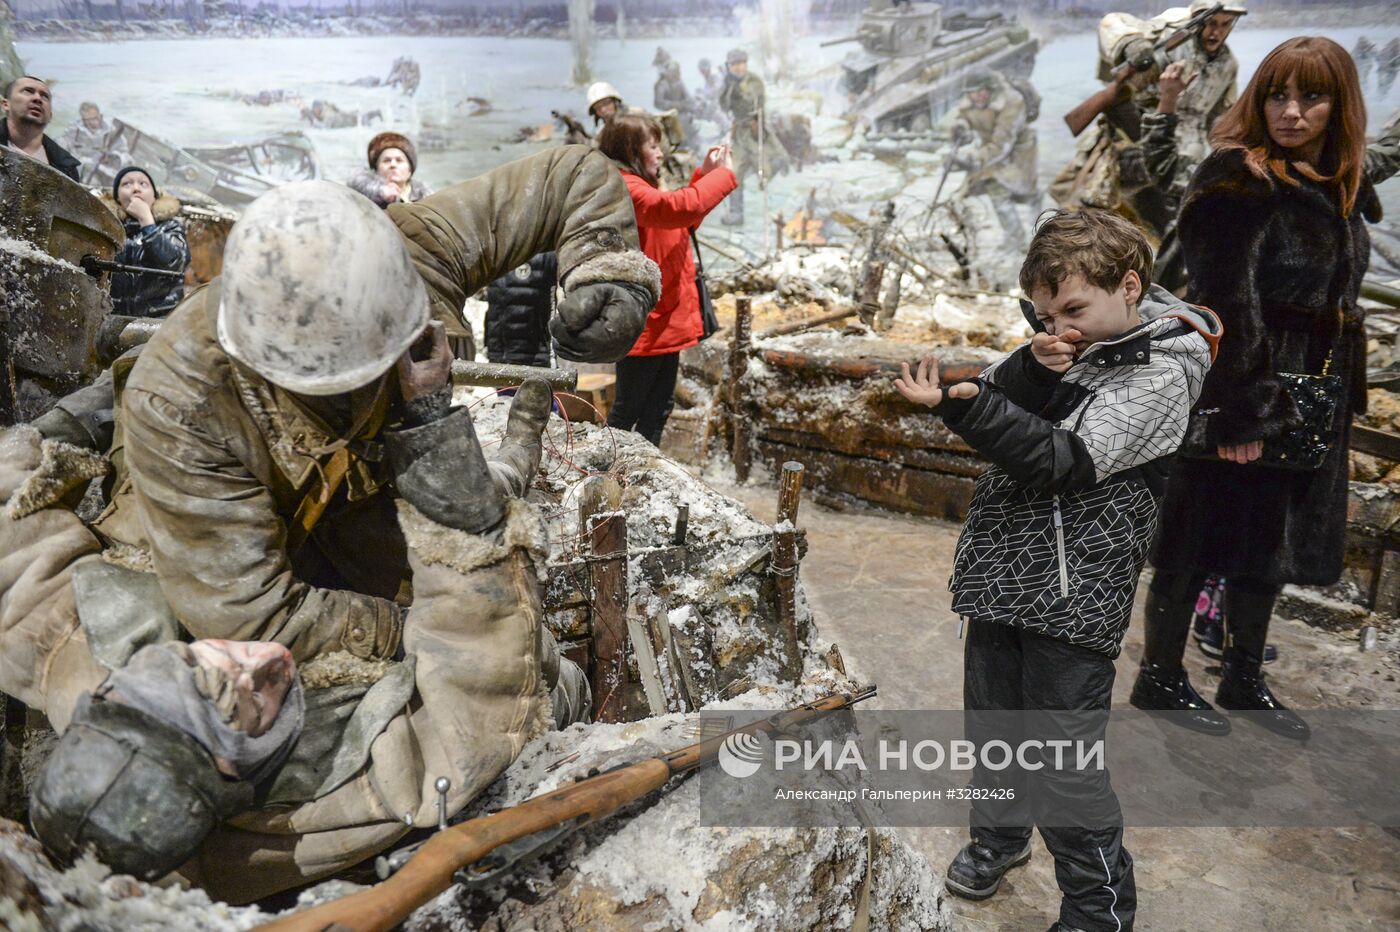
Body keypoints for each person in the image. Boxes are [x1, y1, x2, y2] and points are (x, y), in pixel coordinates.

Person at [2, 146, 660, 901]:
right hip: (217, 543)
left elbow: (572, 176)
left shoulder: (393, 253)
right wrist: (410, 629)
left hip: (361, 494)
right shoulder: (182, 404)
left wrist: (605, 269)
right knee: (501, 655)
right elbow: (251, 617)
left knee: (512, 634)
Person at [894, 208, 1220, 932]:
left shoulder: (1163, 372)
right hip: (1004, 573)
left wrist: (970, 407)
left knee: (1063, 764)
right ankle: (1000, 838)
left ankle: (1098, 908)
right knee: (995, 728)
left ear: (1129, 286)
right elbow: (1001, 395)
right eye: (1045, 317)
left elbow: (1064, 461)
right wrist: (1023, 369)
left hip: (1075, 595)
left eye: (1073, 310)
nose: (1060, 329)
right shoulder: (1077, 343)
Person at [1133, 37, 1377, 741]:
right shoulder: (1236, 180)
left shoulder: (1336, 184)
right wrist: (1242, 411)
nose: (1291, 112)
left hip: (1308, 392)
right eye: (1277, 95)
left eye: (1311, 97)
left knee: (1268, 537)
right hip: (1243, 383)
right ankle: (1159, 676)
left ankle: (1243, 676)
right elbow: (1223, 303)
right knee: (1195, 533)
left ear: (1339, 105)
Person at [1051, 0, 1245, 241]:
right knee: (1087, 226)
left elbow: (1219, 117)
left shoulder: (1228, 64)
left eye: (1225, 24)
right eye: (1212, 23)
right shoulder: (1170, 37)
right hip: (1134, 144)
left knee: (1174, 233)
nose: (1217, 32)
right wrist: (1132, 45)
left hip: (1183, 160)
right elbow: (1112, 23)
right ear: (1199, 21)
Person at [596, 115, 735, 447]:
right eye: (653, 146)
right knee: (628, 409)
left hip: (664, 316)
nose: (660, 154)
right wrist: (724, 175)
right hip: (644, 321)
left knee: (659, 408)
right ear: (631, 150)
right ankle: (602, 469)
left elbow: (680, 222)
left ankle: (645, 469)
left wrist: (705, 176)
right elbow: (678, 209)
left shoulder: (642, 185)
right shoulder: (626, 189)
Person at [946, 70, 1039, 250]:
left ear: (991, 89)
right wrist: (961, 127)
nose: (976, 96)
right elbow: (964, 117)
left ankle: (1023, 238)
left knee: (1010, 190)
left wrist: (973, 159)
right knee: (992, 189)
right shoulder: (972, 101)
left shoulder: (1012, 102)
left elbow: (1002, 143)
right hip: (991, 151)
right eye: (971, 92)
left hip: (1018, 152)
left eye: (980, 91)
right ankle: (1015, 237)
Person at [101, 166, 190, 318]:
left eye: (143, 184)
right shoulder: (107, 228)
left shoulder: (170, 226)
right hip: (112, 318)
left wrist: (147, 222)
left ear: (154, 197)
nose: (136, 188)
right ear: (117, 198)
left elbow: (174, 263)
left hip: (160, 320)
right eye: (127, 184)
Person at [719, 47, 784, 225]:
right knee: (734, 173)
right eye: (734, 64)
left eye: (741, 63)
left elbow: (752, 101)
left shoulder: (754, 81)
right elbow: (724, 106)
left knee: (766, 169)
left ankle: (775, 167)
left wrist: (737, 90)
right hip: (739, 134)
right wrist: (729, 88)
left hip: (756, 131)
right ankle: (736, 213)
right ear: (729, 66)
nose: (738, 67)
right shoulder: (727, 82)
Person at [485, 252, 558, 368]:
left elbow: (554, 303)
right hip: (500, 355)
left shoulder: (546, 254)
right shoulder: (494, 250)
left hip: (534, 357)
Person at [0, 74, 80, 181]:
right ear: (6, 104)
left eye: (44, 96)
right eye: (28, 91)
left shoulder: (67, 167)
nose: (37, 98)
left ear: (50, 115)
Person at [348, 131, 432, 208]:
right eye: (386, 160)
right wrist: (381, 192)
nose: (393, 164)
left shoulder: (425, 198)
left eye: (399, 160)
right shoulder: (362, 194)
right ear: (376, 169)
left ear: (409, 170)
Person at [59, 101, 128, 179]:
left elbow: (125, 155)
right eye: (87, 120)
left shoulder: (112, 131)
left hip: (106, 173)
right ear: (83, 119)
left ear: (100, 116)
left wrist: (113, 157)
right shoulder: (75, 131)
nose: (92, 122)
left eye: (95, 118)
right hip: (82, 173)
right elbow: (62, 146)